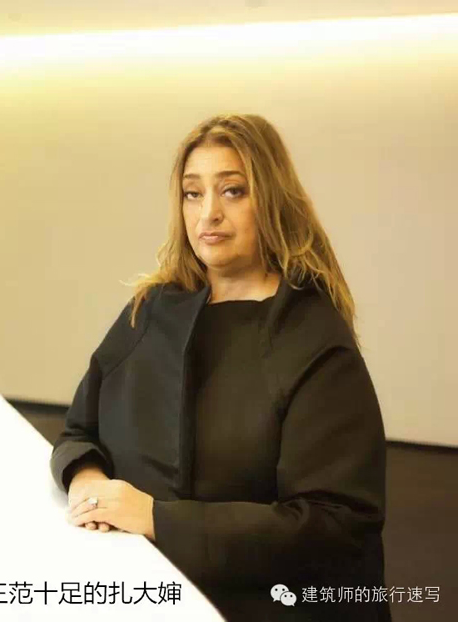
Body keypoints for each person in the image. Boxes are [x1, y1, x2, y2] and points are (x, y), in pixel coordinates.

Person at [50, 114, 392, 621]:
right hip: (143, 588)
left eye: (232, 191)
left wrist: (156, 519)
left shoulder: (314, 339)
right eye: (193, 194)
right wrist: (87, 482)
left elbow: (336, 525)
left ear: (271, 199)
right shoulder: (149, 310)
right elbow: (80, 430)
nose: (208, 213)